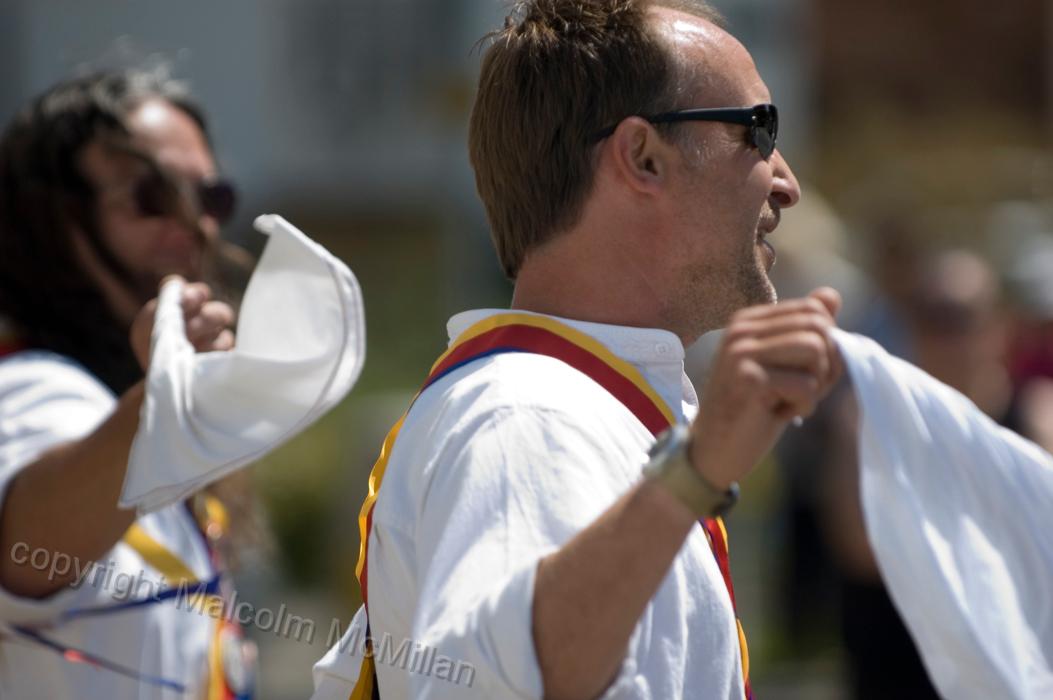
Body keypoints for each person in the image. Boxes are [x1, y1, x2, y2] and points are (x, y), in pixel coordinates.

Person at [312, 1, 842, 698]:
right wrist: (695, 474)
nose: (787, 183)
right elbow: (499, 681)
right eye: (759, 130)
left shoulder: (558, 406)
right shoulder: (526, 416)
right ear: (642, 157)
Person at [0, 70, 257, 698]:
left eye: (212, 197)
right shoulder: (31, 387)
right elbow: (22, 548)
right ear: (52, 223)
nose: (195, 224)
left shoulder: (124, 410)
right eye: (151, 195)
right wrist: (161, 401)